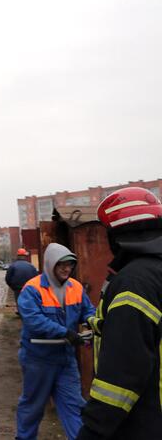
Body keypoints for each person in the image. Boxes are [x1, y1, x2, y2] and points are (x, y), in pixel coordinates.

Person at [76, 187, 162, 439]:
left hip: (143, 421)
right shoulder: (155, 274)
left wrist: (93, 428)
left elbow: (123, 373)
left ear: (116, 234)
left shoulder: (135, 281)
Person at [16, 243, 96, 440]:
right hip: (38, 359)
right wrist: (66, 333)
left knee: (74, 406)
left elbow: (87, 311)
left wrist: (94, 323)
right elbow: (34, 321)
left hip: (65, 360)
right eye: (61, 265)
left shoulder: (75, 287)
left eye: (70, 265)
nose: (66, 269)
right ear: (50, 264)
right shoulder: (32, 289)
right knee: (33, 406)